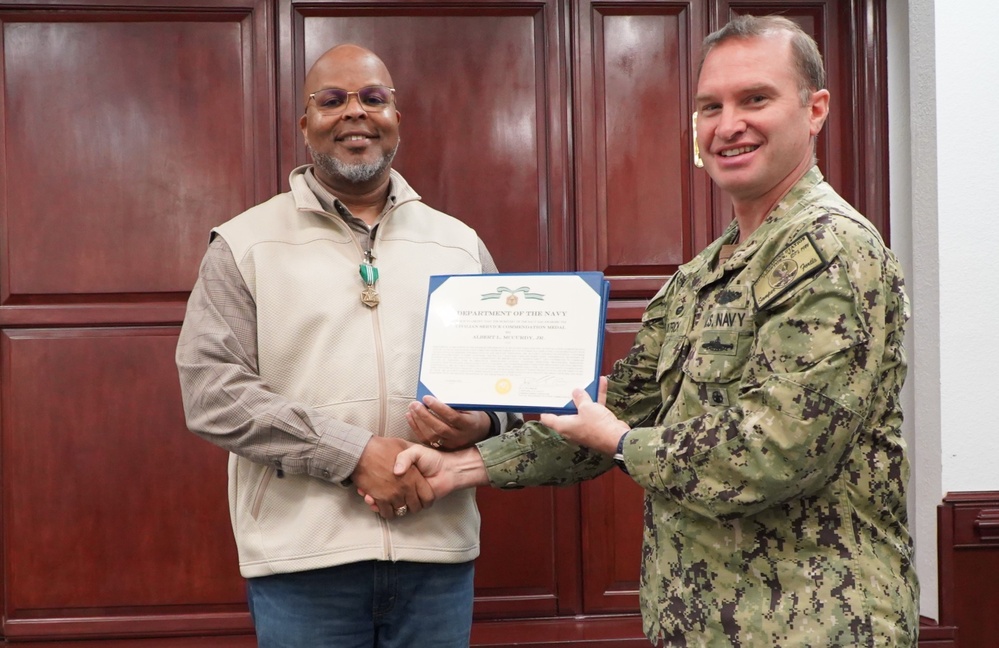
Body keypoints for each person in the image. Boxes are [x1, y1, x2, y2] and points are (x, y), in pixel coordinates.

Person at [387, 15, 919, 647]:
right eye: (710, 106)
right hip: (702, 622)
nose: (728, 124)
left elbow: (776, 451)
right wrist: (462, 467)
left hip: (814, 623)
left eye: (756, 99)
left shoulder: (832, 251)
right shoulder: (701, 274)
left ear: (815, 110)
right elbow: (611, 409)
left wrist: (621, 442)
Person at [175, 44, 511, 648]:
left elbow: (509, 382)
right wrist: (353, 453)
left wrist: (483, 420)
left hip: (437, 558)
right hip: (302, 567)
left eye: (373, 98)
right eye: (332, 100)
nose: (355, 113)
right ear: (305, 125)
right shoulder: (243, 244)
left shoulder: (459, 245)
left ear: (396, 118)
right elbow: (212, 393)